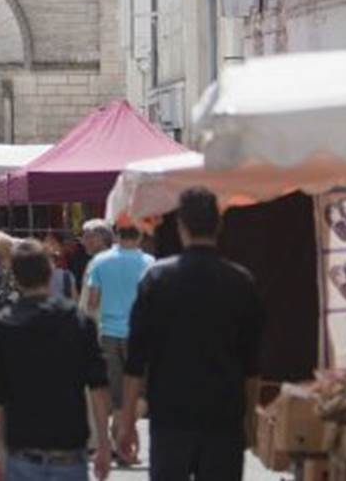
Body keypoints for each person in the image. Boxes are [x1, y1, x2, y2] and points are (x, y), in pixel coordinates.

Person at [117, 188, 266, 481]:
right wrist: (249, 420)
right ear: (219, 224)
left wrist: (127, 420)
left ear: (181, 225)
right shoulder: (241, 282)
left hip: (170, 416)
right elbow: (252, 364)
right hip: (224, 417)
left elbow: (136, 360)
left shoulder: (157, 280)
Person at [0, 241, 112, 481]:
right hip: (69, 451)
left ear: (16, 278)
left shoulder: (2, 326)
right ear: (50, 272)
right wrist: (104, 443)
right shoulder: (77, 321)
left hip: (22, 453)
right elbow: (98, 387)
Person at [84, 224, 155, 449]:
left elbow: (92, 302)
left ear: (116, 235)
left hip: (109, 333)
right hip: (140, 334)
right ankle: (127, 426)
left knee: (115, 391)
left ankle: (119, 428)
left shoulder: (100, 262)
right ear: (141, 235)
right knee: (141, 390)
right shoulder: (149, 264)